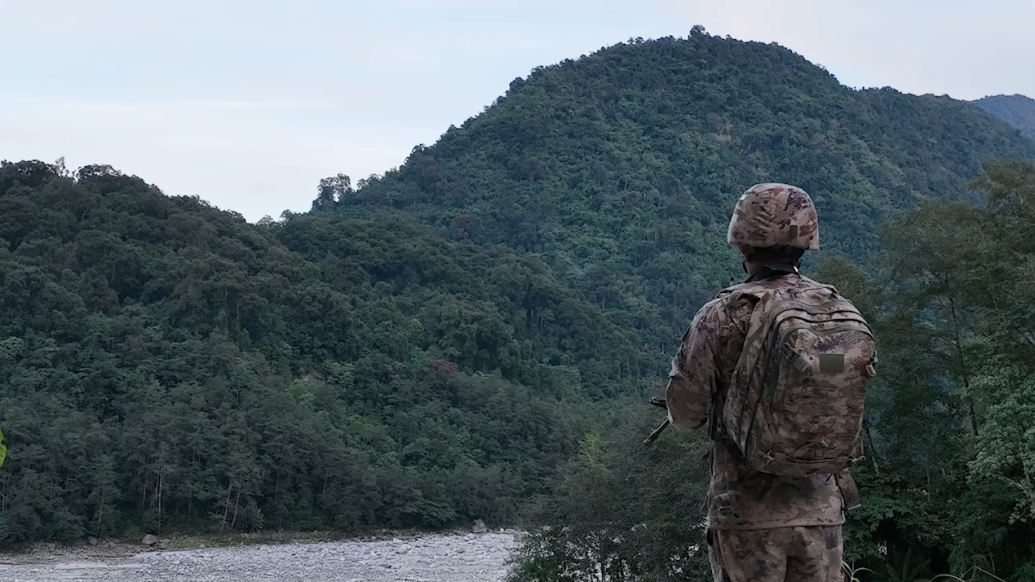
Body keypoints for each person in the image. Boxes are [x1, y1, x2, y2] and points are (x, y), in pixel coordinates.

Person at [664, 183, 862, 582]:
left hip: (746, 513)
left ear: (742, 244)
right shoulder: (834, 312)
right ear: (806, 242)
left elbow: (686, 413)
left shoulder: (722, 315)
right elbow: (835, 378)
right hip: (822, 513)